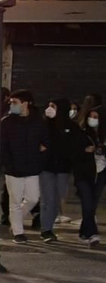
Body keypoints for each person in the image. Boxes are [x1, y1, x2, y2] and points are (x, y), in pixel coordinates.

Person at [0, 90, 45, 243]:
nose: (12, 105)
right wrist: (7, 163)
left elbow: (45, 139)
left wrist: (44, 147)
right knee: (15, 201)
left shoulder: (37, 120)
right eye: (11, 102)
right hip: (13, 168)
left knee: (33, 198)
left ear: (25, 103)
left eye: (15, 102)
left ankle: (16, 221)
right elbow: (2, 145)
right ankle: (18, 232)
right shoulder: (6, 122)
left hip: (32, 166)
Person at [39, 98, 80, 243]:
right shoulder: (44, 124)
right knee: (48, 199)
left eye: (53, 106)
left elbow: (75, 146)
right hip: (46, 168)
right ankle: (46, 229)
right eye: (49, 106)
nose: (49, 109)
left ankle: (48, 226)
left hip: (63, 169)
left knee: (57, 199)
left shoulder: (71, 127)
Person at [74, 99, 103, 247]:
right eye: (91, 116)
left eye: (96, 117)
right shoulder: (82, 133)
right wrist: (84, 151)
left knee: (91, 205)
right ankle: (93, 234)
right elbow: (73, 151)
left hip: (100, 173)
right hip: (83, 174)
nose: (93, 120)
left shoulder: (102, 136)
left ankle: (84, 232)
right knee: (87, 202)